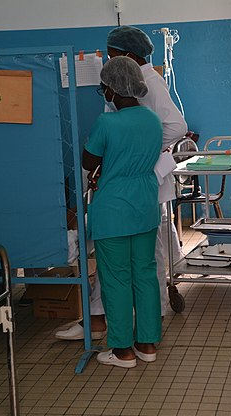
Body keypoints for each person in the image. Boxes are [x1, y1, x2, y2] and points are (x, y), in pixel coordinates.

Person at [55, 25, 188, 341]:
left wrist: (141, 155)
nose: (107, 63)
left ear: (128, 57)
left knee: (132, 264)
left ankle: (136, 326)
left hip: (130, 189)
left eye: (111, 55)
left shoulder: (148, 84)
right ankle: (132, 328)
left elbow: (177, 126)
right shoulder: (137, 97)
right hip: (136, 191)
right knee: (134, 265)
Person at [82, 55, 162, 368]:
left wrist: (104, 168)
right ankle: (147, 343)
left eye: (104, 89)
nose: (105, 94)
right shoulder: (152, 120)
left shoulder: (107, 122)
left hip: (113, 209)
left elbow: (90, 161)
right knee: (144, 274)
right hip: (144, 204)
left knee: (116, 279)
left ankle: (122, 350)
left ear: (113, 89)